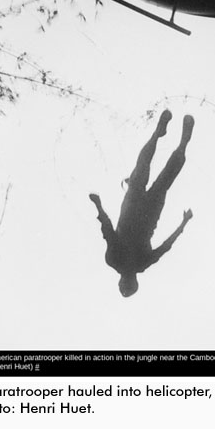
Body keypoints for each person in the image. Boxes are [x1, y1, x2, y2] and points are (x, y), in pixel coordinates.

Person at [89, 110, 194, 297]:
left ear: (121, 282)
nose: (127, 281)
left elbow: (108, 230)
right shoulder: (136, 263)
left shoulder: (115, 260)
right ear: (133, 282)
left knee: (144, 168)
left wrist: (98, 205)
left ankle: (160, 135)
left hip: (135, 207)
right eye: (129, 285)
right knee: (162, 176)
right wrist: (183, 223)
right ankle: (181, 142)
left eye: (124, 285)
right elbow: (165, 246)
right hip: (147, 212)